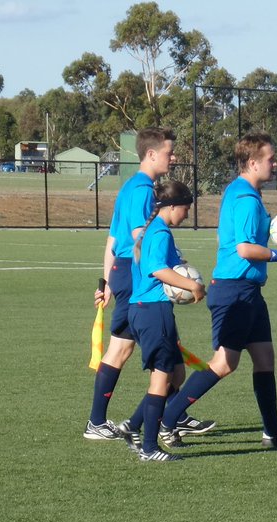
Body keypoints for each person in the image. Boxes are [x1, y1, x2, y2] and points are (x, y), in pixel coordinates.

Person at [159, 131, 277, 450]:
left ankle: (273, 433)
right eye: (271, 158)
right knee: (224, 363)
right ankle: (167, 418)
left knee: (264, 358)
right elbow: (244, 248)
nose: (275, 162)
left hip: (249, 292)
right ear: (253, 162)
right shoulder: (244, 198)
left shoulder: (244, 193)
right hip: (234, 291)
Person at [84, 128, 215, 443]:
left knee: (124, 348)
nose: (174, 157)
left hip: (123, 272)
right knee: (158, 358)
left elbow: (111, 240)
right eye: (170, 152)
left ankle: (130, 420)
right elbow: (137, 238)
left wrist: (108, 281)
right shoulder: (144, 191)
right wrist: (176, 269)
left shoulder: (129, 187)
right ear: (151, 154)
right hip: (137, 275)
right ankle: (165, 418)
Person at [126, 181, 205, 461]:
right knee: (160, 380)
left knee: (176, 374)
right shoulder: (159, 232)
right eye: (185, 209)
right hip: (152, 310)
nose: (186, 214)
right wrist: (192, 286)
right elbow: (156, 269)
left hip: (146, 310)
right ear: (172, 206)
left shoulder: (155, 230)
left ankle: (133, 426)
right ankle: (149, 448)